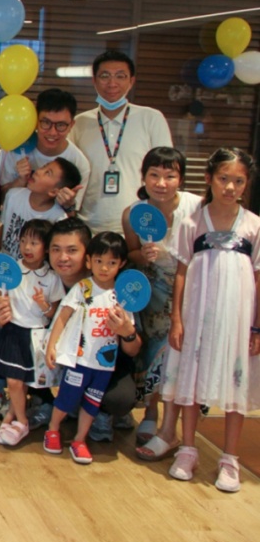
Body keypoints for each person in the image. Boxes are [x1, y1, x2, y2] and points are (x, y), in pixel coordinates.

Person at [164, 148, 260, 493]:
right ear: (209, 179)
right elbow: (181, 273)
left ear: (246, 185)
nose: (230, 187)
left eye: (238, 181)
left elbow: (258, 277)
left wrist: (256, 326)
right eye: (223, 179)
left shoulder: (254, 225)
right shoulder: (192, 223)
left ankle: (229, 458)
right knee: (191, 379)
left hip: (236, 320)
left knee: (236, 383)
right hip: (198, 316)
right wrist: (177, 318)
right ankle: (188, 449)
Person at [125, 148, 202, 461]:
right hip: (151, 292)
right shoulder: (133, 212)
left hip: (189, 291)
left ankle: (173, 428)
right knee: (150, 353)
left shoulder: (197, 207)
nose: (161, 182)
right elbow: (129, 254)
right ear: (143, 177)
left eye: (170, 176)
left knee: (178, 356)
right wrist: (143, 256)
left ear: (180, 178)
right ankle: (150, 413)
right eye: (154, 175)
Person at [44, 232, 140, 465]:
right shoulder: (83, 287)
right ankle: (53, 429)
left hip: (104, 365)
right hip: (79, 360)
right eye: (99, 261)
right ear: (89, 261)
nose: (104, 268)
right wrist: (51, 346)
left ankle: (80, 439)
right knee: (67, 398)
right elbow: (63, 316)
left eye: (112, 262)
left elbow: (128, 329)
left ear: (121, 264)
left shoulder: (123, 297)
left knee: (92, 403)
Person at [70, 50, 173, 233]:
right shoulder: (79, 123)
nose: (112, 83)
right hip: (89, 225)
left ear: (131, 81)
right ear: (94, 81)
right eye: (105, 76)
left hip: (138, 225)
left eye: (120, 76)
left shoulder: (151, 118)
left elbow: (166, 171)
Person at [0, 219, 64, 446]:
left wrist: (43, 305)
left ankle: (13, 417)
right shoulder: (11, 269)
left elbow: (55, 314)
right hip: (12, 332)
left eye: (34, 243)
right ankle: (22, 421)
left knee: (22, 382)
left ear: (46, 247)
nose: (27, 247)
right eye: (23, 241)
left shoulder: (52, 277)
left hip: (36, 336)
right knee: (13, 381)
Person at [0, 88, 90, 211]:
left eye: (61, 125)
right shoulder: (16, 148)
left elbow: (72, 215)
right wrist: (20, 181)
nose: (52, 132)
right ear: (36, 120)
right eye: (46, 122)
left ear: (71, 125)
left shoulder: (78, 162)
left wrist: (68, 205)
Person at [0, 158, 81, 259]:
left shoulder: (58, 218)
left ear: (54, 192)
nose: (38, 171)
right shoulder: (13, 195)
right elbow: (3, 228)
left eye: (47, 173)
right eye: (43, 167)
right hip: (3, 263)